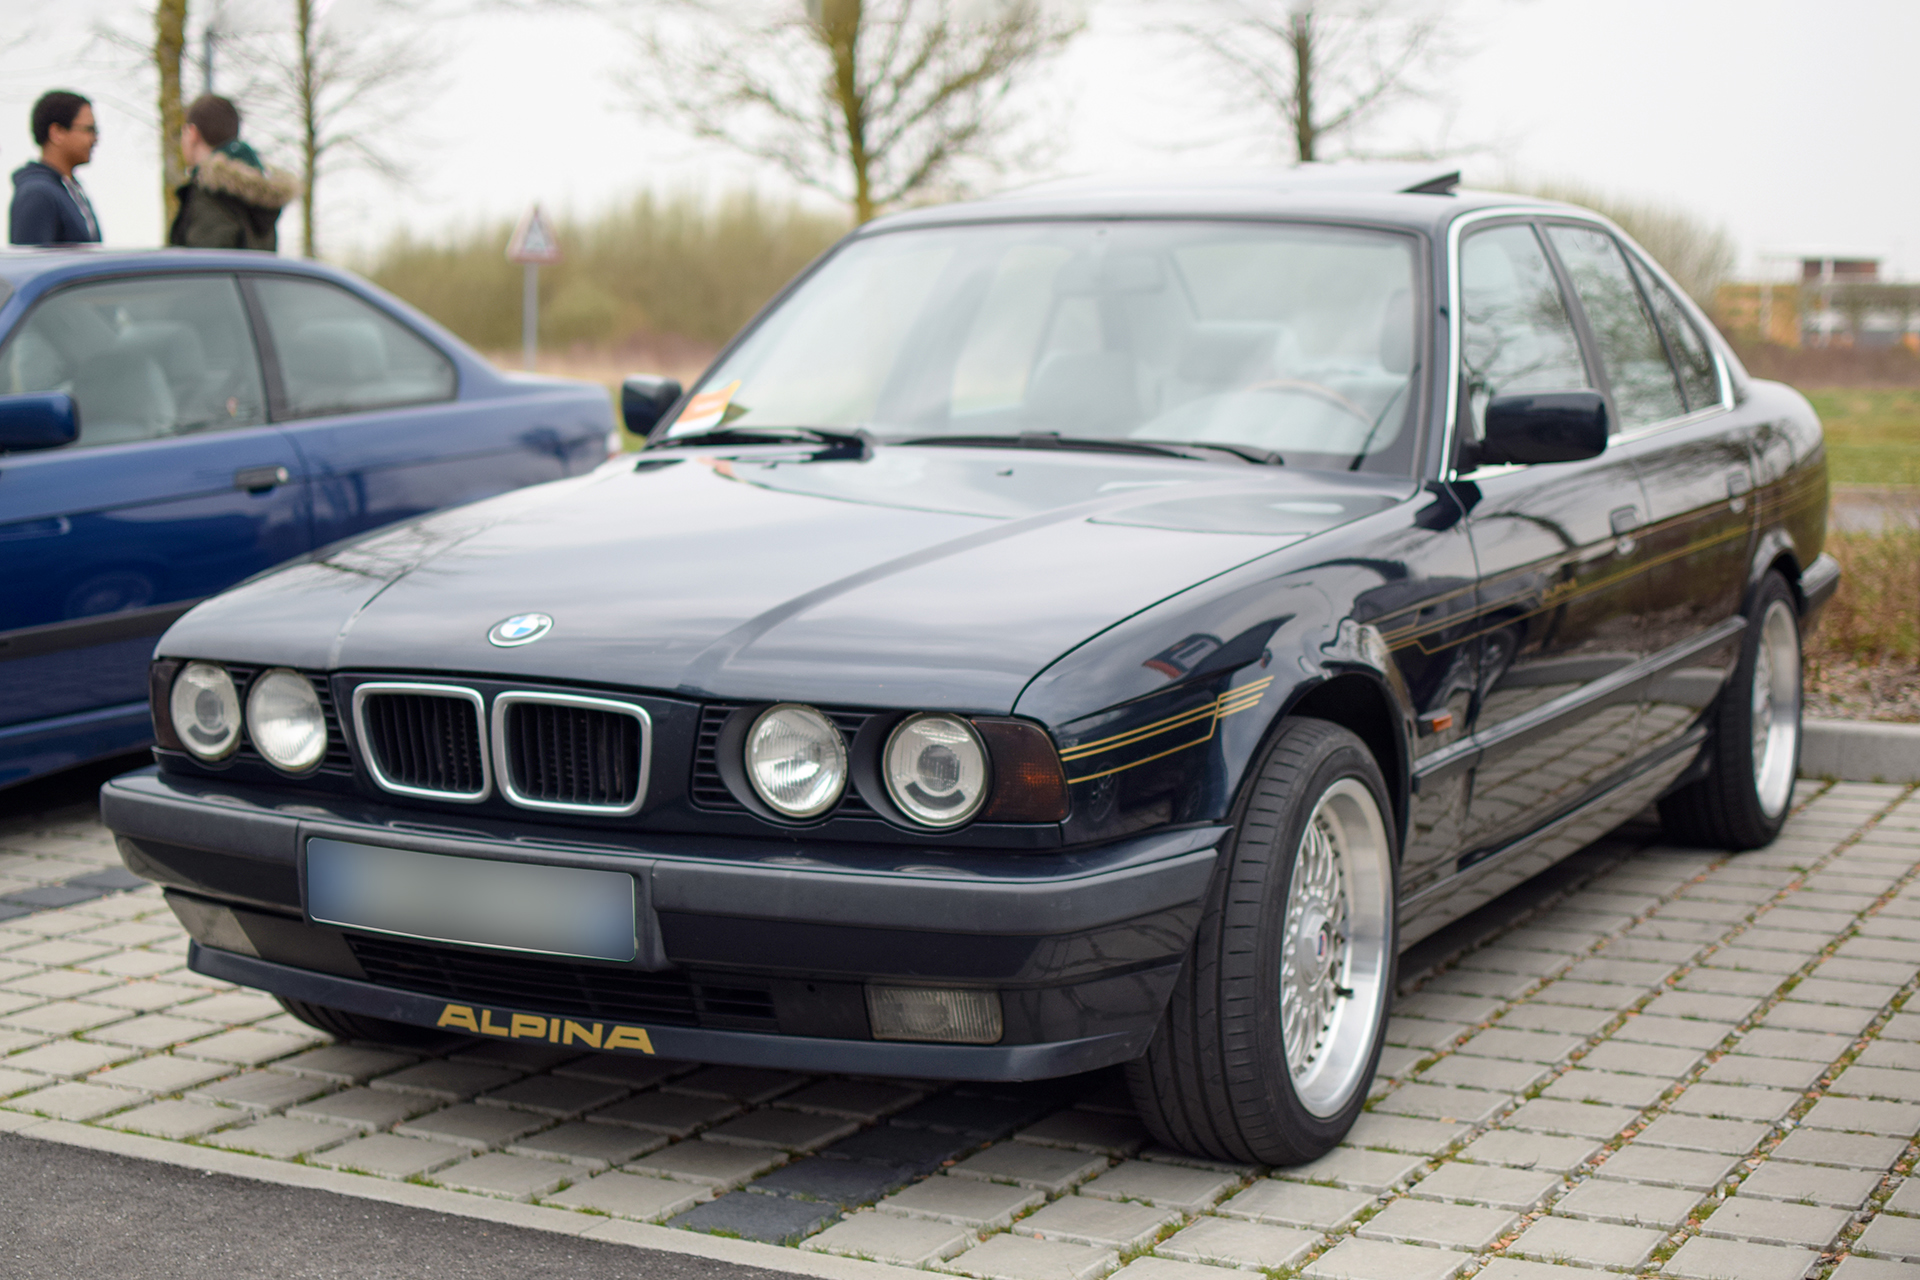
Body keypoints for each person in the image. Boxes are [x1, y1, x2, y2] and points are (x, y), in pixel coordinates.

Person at [168, 95, 298, 252]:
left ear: (192, 133)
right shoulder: (262, 198)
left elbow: (201, 272)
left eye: (183, 132)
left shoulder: (209, 196)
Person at [10, 90, 101, 245]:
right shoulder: (38, 193)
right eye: (88, 130)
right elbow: (33, 266)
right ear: (57, 132)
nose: (95, 139)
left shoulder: (69, 190)